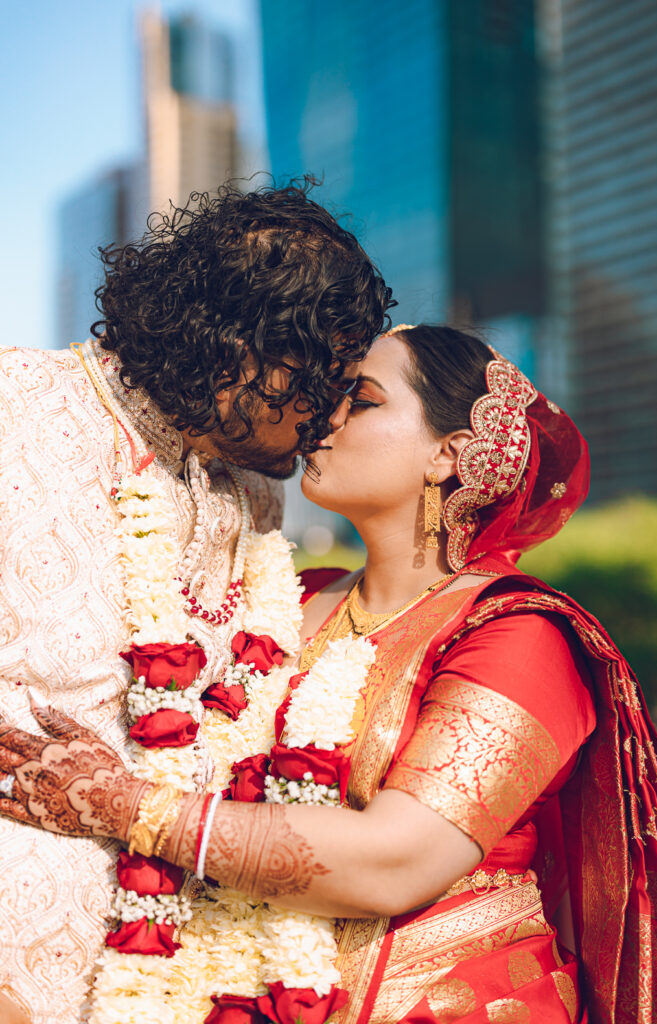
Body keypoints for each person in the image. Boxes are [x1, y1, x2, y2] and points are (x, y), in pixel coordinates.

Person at [1, 324, 657, 1024]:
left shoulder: (519, 636)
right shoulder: (288, 599)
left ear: (447, 454)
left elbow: (396, 861)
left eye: (361, 400)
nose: (322, 416)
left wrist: (127, 807)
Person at [0, 178, 392, 1024]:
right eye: (319, 379)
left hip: (170, 976)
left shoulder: (251, 493)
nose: (327, 417)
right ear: (239, 352)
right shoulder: (15, 403)